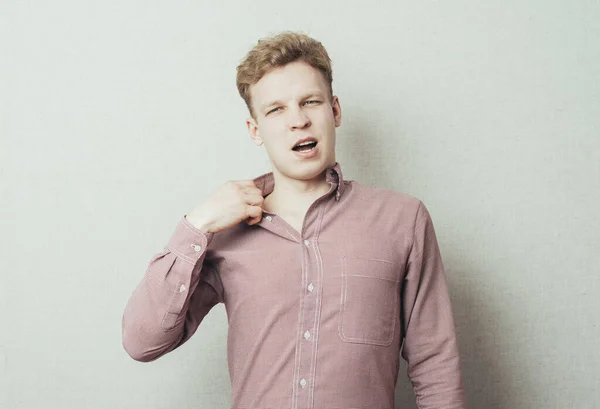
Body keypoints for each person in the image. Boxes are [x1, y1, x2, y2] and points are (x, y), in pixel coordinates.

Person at [122, 31, 466, 409]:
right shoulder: (224, 232)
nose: (298, 120)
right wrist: (197, 225)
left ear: (334, 110)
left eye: (310, 102)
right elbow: (142, 342)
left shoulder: (402, 220)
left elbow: (436, 366)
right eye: (276, 110)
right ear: (256, 130)